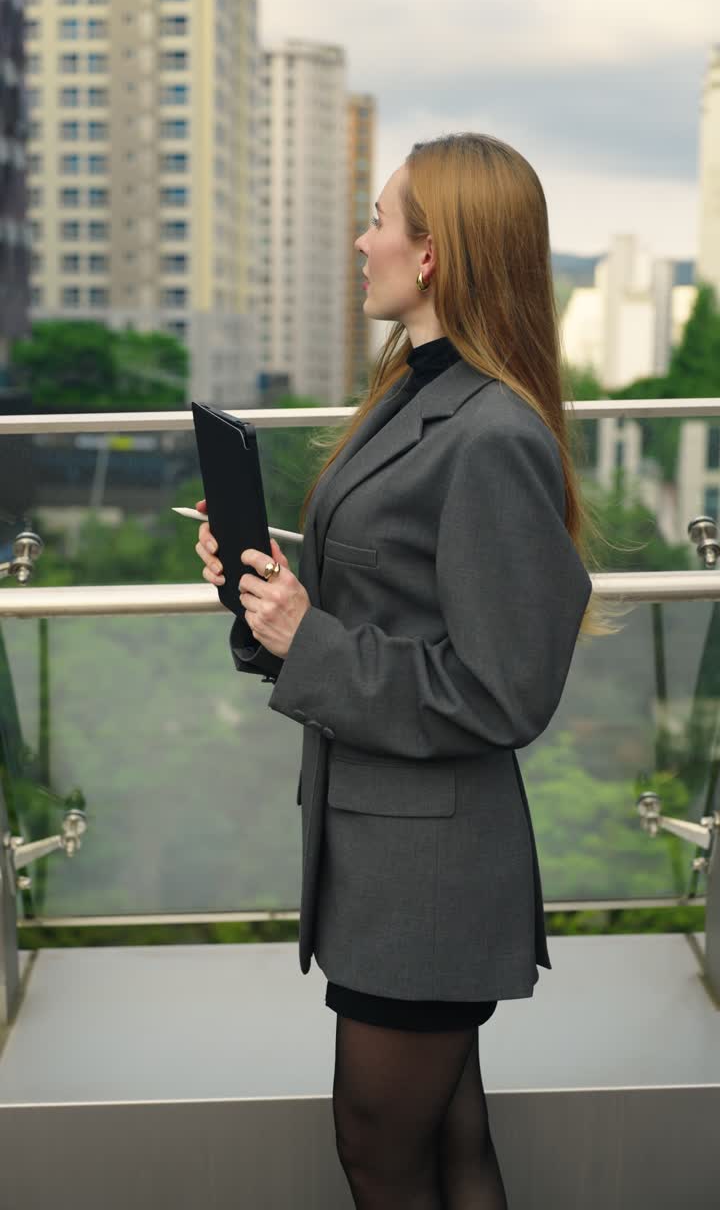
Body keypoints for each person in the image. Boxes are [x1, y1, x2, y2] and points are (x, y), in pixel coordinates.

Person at [194, 133, 605, 1208]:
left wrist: (308, 635)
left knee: (383, 1152)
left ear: (432, 255)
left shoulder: (489, 433)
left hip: (429, 875)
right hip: (384, 853)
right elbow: (378, 616)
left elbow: (505, 691)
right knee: (449, 1140)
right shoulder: (413, 394)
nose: (362, 240)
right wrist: (267, 600)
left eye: (379, 219)